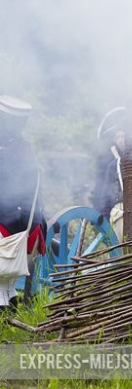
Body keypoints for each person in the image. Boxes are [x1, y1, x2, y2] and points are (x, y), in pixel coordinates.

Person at [0, 95, 46, 309]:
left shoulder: (7, 157)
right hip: (27, 233)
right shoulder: (25, 152)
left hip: (11, 235)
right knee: (5, 288)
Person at [92, 107, 126, 241]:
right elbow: (104, 193)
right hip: (119, 211)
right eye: (118, 137)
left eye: (124, 137)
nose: (121, 140)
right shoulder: (112, 165)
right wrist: (102, 220)